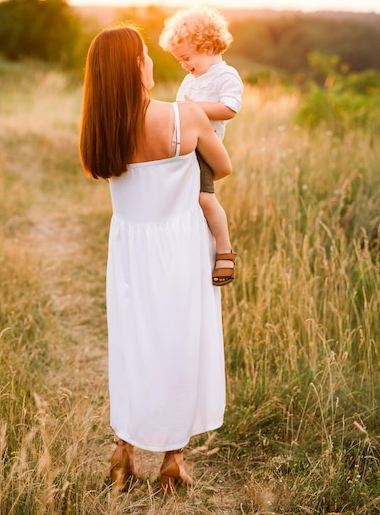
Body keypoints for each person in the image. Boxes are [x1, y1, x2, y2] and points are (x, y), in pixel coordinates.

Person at [79, 25, 232, 494]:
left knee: (133, 345)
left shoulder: (100, 127)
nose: (150, 62)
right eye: (144, 55)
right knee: (179, 343)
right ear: (134, 67)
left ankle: (123, 450)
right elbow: (223, 167)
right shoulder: (184, 118)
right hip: (180, 246)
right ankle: (172, 460)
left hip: (129, 249)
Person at [159, 6, 243, 286]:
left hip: (204, 151)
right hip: (182, 147)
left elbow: (229, 108)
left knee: (205, 199)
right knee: (175, 197)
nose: (184, 65)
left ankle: (223, 250)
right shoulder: (189, 80)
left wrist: (195, 109)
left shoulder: (225, 75)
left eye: (186, 58)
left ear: (206, 46)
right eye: (180, 61)